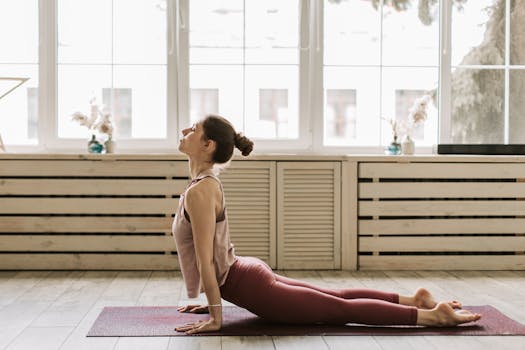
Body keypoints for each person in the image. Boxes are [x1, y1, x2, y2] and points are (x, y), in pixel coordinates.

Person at [172, 114, 482, 335]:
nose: (185, 130)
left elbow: (205, 260)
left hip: (249, 283)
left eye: (194, 129)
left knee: (339, 310)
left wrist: (216, 314)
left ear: (207, 145)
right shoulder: (202, 185)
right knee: (337, 297)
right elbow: (210, 257)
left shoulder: (201, 191)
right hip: (245, 274)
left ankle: (432, 317)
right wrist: (214, 303)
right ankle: (415, 300)